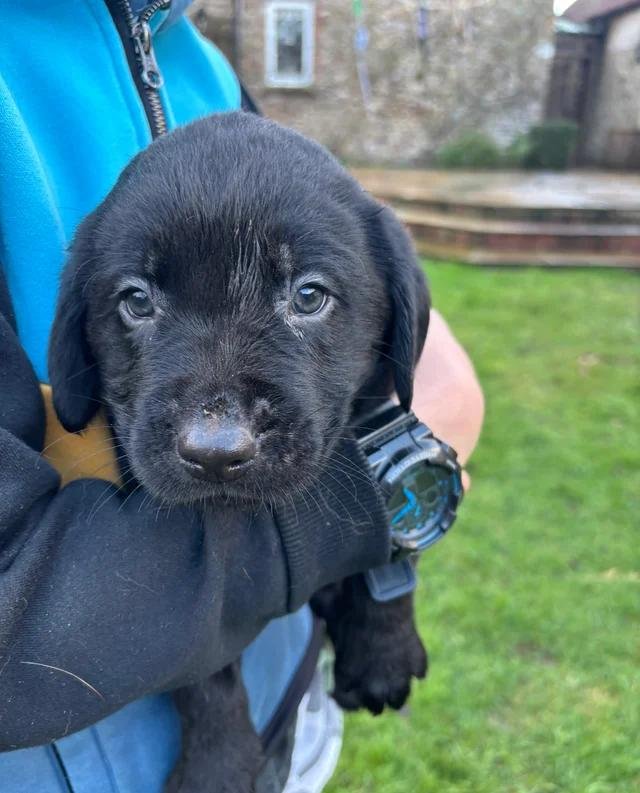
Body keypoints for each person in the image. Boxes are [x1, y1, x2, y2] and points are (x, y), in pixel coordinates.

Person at [0, 2, 484, 791]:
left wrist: (384, 602)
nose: (213, 433)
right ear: (80, 319)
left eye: (308, 295)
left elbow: (384, 405)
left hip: (291, 695)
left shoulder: (206, 68)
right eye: (137, 301)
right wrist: (394, 484)